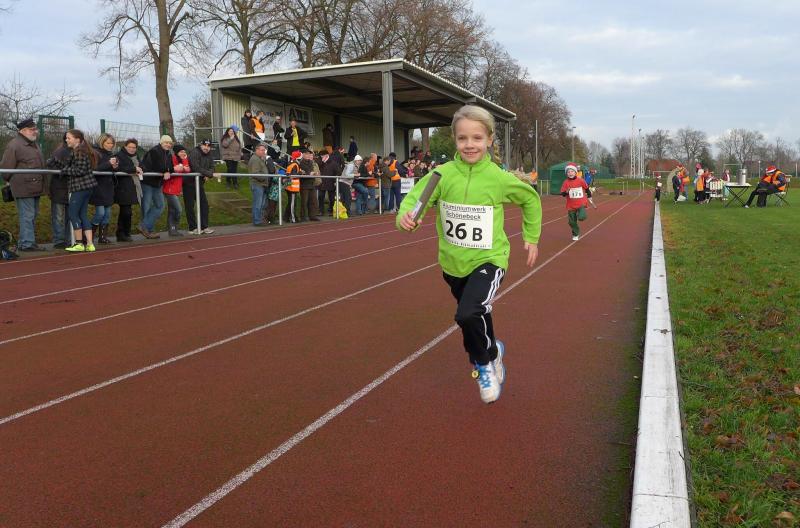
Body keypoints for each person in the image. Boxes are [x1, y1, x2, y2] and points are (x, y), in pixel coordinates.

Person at [397, 105, 542, 404]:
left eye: (477, 138)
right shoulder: (441, 175)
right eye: (463, 138)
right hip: (452, 263)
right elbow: (415, 201)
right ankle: (493, 351)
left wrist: (531, 237)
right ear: (454, 139)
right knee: (476, 314)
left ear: (489, 140)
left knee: (468, 313)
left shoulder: (498, 178)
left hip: (489, 259)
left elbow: (530, 199)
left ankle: (482, 364)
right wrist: (406, 219)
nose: (469, 144)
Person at [0, 118, 46, 251]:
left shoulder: (34, 144)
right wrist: (10, 180)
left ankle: (25, 242)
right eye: (32, 129)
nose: (35, 131)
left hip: (35, 186)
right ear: (23, 130)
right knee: (27, 216)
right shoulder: (14, 145)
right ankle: (27, 244)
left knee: (32, 215)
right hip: (23, 187)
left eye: (35, 129)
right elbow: (6, 168)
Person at [56, 129, 98, 252]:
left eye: (69, 138)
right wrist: (59, 164)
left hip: (80, 188)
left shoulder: (79, 152)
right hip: (87, 187)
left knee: (73, 214)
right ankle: (90, 244)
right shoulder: (81, 151)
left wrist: (64, 171)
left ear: (77, 140)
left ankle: (79, 243)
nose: (66, 140)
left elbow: (80, 170)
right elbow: (75, 166)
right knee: (83, 214)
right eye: (66, 138)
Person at [139, 135, 173, 239]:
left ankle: (144, 226)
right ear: (161, 142)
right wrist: (165, 171)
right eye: (166, 142)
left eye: (170, 143)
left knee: (160, 205)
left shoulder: (168, 154)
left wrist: (168, 171)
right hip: (148, 182)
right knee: (146, 206)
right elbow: (156, 165)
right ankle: (149, 231)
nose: (168, 144)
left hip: (158, 184)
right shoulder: (154, 151)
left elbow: (171, 167)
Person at [90, 133, 121, 244]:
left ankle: (102, 237)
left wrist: (115, 167)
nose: (110, 145)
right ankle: (88, 236)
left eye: (112, 143)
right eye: (108, 143)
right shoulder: (95, 153)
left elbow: (113, 170)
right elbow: (95, 169)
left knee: (107, 214)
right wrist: (109, 163)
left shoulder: (112, 154)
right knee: (100, 213)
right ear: (102, 142)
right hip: (98, 187)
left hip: (108, 187)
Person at [46, 134, 72, 249]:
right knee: (59, 216)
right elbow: (53, 168)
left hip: (68, 188)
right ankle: (59, 240)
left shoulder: (76, 152)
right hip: (59, 189)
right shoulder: (60, 152)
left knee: (69, 216)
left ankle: (68, 239)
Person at [186, 139, 215, 234]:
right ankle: (192, 228)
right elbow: (195, 167)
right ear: (201, 145)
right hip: (189, 183)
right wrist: (208, 174)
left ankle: (204, 227)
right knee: (190, 206)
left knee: (204, 205)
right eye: (205, 145)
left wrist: (208, 174)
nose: (206, 148)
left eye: (208, 146)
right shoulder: (195, 152)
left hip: (199, 183)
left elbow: (212, 167)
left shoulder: (209, 154)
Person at [560, 162, 592, 241]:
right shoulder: (565, 182)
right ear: (566, 173)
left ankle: (580, 214)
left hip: (581, 203)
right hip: (571, 205)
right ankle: (575, 234)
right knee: (571, 222)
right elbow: (562, 194)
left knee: (581, 217)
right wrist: (566, 192)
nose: (570, 173)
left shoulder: (580, 180)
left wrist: (589, 196)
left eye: (572, 171)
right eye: (568, 172)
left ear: (575, 172)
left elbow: (587, 189)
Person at [248, 143, 276, 226]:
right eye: (262, 150)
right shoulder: (255, 159)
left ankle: (259, 219)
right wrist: (265, 178)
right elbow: (255, 173)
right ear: (257, 150)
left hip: (261, 184)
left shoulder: (259, 159)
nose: (264, 152)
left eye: (264, 150)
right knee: (258, 204)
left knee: (262, 204)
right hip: (257, 184)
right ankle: (257, 221)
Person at [164, 144, 188, 236]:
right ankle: (174, 228)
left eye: (184, 152)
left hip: (177, 189)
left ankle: (173, 230)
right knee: (178, 209)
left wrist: (183, 163)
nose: (183, 153)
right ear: (177, 152)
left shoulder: (182, 159)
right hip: (169, 188)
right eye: (181, 152)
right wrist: (181, 168)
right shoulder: (172, 158)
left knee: (172, 210)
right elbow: (174, 169)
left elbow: (188, 169)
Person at [298, 149, 320, 221]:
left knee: (313, 201)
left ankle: (312, 216)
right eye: (306, 154)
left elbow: (309, 171)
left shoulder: (311, 162)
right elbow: (305, 172)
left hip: (311, 184)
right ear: (303, 155)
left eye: (309, 154)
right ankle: (303, 216)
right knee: (304, 202)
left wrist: (312, 173)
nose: (308, 155)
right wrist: (310, 173)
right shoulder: (301, 163)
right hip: (304, 184)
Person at [283, 150, 303, 223]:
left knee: (290, 202)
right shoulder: (295, 164)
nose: (301, 159)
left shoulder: (291, 163)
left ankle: (286, 217)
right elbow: (293, 175)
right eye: (301, 157)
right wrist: (300, 173)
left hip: (289, 186)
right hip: (292, 187)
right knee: (292, 203)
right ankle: (293, 218)